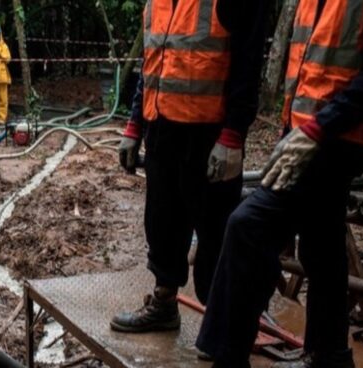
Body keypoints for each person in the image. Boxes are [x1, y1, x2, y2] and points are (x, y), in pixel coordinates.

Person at [173, 0, 363, 368]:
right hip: (319, 127)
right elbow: (312, 65)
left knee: (248, 224)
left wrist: (317, 128)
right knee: (320, 227)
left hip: (351, 130)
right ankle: (330, 356)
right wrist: (293, 128)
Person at [109, 0, 270, 334]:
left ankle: (222, 326)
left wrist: (232, 135)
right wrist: (134, 126)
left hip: (207, 133)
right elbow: (153, 61)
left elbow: (248, 62)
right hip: (162, 126)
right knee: (162, 220)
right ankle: (164, 304)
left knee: (215, 231)